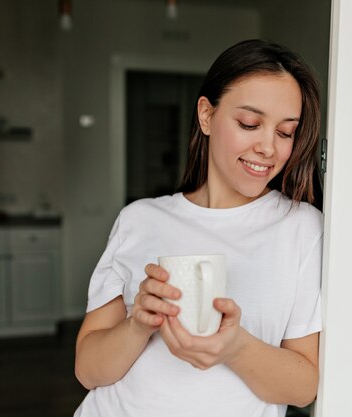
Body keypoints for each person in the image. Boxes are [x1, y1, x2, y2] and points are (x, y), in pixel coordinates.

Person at [73, 39, 323, 417]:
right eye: (250, 124)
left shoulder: (301, 227)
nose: (268, 148)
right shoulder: (139, 219)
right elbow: (88, 372)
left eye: (285, 132)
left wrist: (235, 346)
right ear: (206, 115)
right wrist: (139, 324)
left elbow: (303, 388)